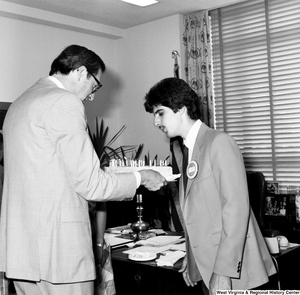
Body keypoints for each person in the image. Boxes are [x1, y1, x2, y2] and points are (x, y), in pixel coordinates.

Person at [0, 44, 166, 295]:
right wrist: (140, 176)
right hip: (59, 256)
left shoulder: (19, 104)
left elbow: (54, 174)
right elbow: (91, 184)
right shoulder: (63, 101)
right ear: (80, 72)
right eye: (95, 85)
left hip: (23, 255)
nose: (91, 96)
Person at [144, 77, 277, 293]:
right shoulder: (188, 150)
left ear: (181, 109)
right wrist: (193, 258)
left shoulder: (218, 142)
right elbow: (198, 215)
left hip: (233, 271)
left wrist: (223, 272)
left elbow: (236, 210)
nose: (156, 122)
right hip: (208, 265)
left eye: (160, 113)